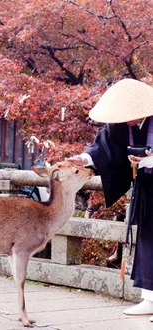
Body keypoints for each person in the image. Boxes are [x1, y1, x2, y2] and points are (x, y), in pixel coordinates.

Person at [67, 78, 153, 321]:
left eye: (132, 115)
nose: (129, 120)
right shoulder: (120, 125)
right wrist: (84, 159)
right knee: (147, 242)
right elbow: (103, 147)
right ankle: (150, 298)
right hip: (147, 189)